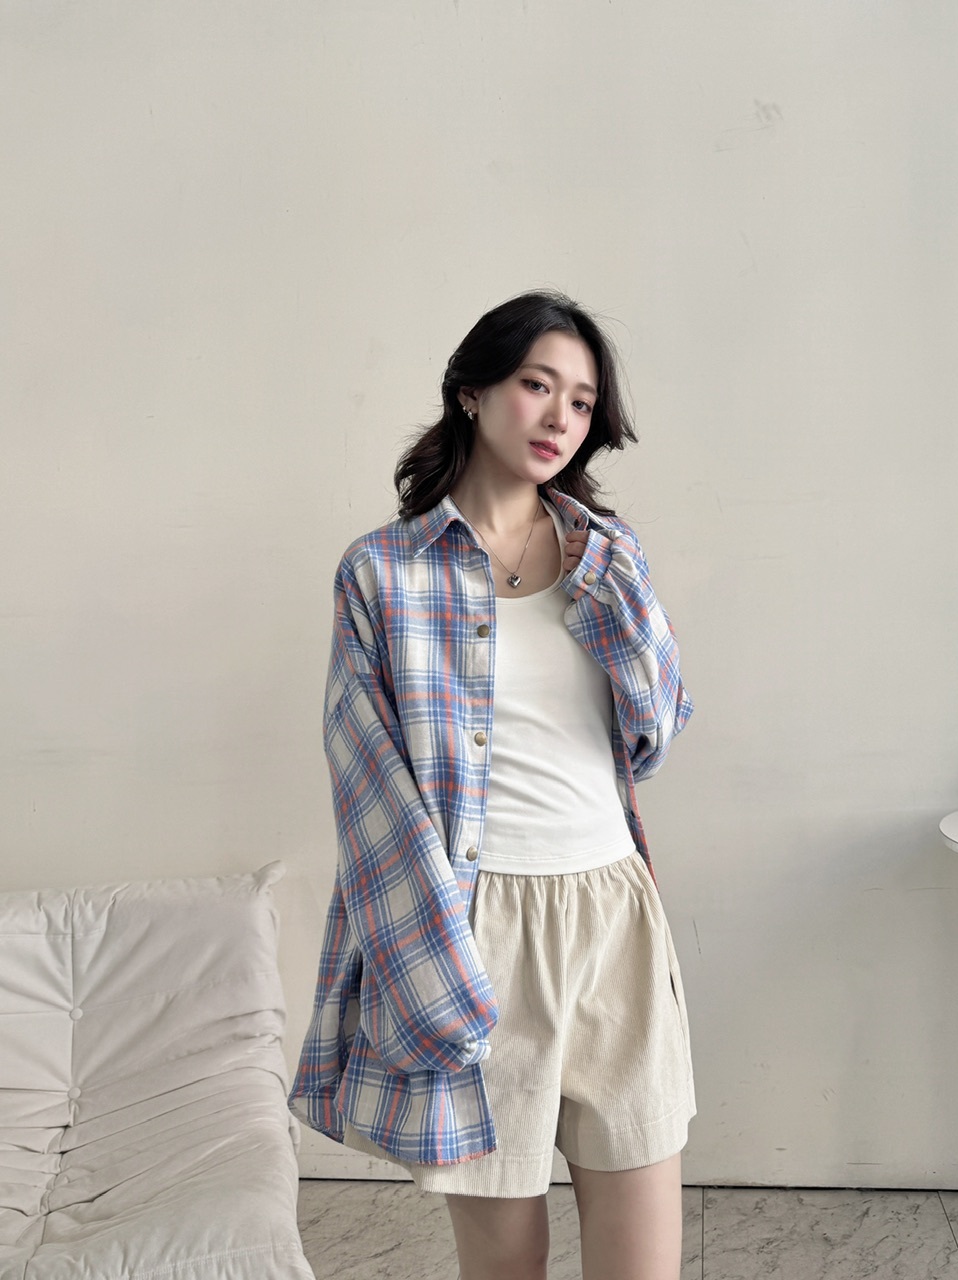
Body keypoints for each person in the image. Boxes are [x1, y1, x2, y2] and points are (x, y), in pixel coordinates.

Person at [290, 291, 696, 1280]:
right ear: (472, 392)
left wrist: (612, 595)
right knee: (505, 1265)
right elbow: (368, 789)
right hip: (475, 924)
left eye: (582, 401)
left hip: (613, 914)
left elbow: (654, 731)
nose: (561, 416)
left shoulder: (609, 557)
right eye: (536, 385)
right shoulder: (382, 573)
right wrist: (431, 963)